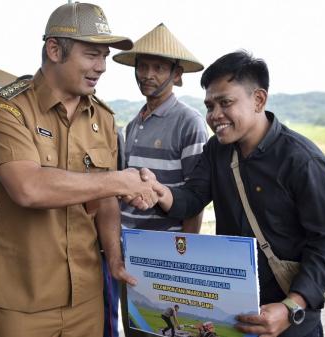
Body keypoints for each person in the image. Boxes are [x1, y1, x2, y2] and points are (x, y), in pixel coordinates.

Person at [0, 3, 156, 337]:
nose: (101, 67)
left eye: (104, 56)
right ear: (55, 50)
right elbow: (29, 188)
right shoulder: (5, 109)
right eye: (91, 55)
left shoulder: (103, 117)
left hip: (86, 295)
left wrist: (114, 258)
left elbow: (105, 200)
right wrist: (119, 179)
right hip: (22, 294)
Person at [141, 51, 325, 337]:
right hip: (234, 312)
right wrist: (160, 193)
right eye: (210, 106)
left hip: (289, 317)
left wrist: (291, 307)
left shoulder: (302, 162)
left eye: (226, 103)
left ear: (259, 100)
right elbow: (193, 197)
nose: (215, 116)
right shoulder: (217, 150)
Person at [109, 23, 208, 337]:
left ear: (177, 75)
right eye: (142, 66)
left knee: (168, 327)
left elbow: (196, 195)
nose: (147, 74)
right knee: (135, 326)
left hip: (167, 251)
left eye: (158, 67)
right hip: (130, 247)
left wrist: (186, 253)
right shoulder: (132, 124)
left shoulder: (188, 122)